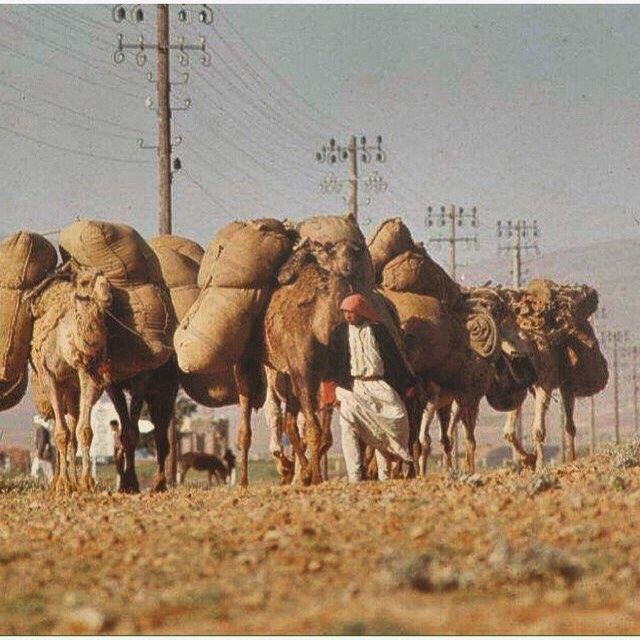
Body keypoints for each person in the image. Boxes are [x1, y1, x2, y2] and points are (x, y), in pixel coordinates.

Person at [321, 293, 416, 483]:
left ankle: (385, 475)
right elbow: (331, 363)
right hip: (353, 388)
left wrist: (407, 384)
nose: (348, 315)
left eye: (352, 312)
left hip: (379, 385)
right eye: (345, 312)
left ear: (361, 312)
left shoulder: (379, 331)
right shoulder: (339, 333)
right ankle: (354, 477)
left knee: (391, 422)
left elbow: (393, 359)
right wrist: (330, 386)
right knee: (347, 427)